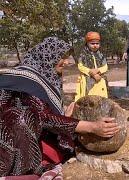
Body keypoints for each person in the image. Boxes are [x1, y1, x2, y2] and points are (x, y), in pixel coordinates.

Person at [0, 37, 120, 177]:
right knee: (21, 118)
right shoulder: (26, 81)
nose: (67, 62)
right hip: (9, 144)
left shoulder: (42, 75)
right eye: (62, 57)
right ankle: (19, 169)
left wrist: (63, 116)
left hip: (25, 135)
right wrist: (92, 127)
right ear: (48, 56)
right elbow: (42, 116)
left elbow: (43, 113)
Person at [75, 31, 108, 102]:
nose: (95, 45)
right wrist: (90, 72)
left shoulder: (101, 55)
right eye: (92, 43)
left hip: (99, 79)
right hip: (87, 80)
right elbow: (80, 66)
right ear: (87, 43)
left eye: (97, 43)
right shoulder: (83, 55)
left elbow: (105, 67)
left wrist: (98, 70)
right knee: (88, 100)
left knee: (100, 100)